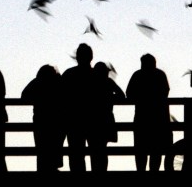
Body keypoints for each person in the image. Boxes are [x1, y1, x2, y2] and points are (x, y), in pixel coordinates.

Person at [125, 53, 171, 172]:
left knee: (141, 149)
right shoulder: (160, 75)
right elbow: (165, 92)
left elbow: (129, 94)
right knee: (156, 150)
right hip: (159, 117)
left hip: (142, 117)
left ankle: (141, 173)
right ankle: (153, 174)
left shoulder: (138, 75)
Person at [21, 64, 64, 174]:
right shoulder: (58, 82)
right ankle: (52, 169)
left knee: (41, 149)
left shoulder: (38, 82)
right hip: (56, 121)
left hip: (40, 121)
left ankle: (43, 173)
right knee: (55, 147)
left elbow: (24, 96)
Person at [61, 43, 96, 173]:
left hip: (73, 120)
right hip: (94, 119)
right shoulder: (96, 76)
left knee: (75, 153)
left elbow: (60, 95)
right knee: (96, 153)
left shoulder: (69, 74)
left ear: (77, 57)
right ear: (91, 57)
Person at [90, 61, 125, 172]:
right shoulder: (109, 82)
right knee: (103, 150)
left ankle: (96, 171)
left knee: (94, 149)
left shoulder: (90, 83)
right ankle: (102, 172)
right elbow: (122, 96)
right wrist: (111, 98)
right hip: (106, 119)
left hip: (92, 120)